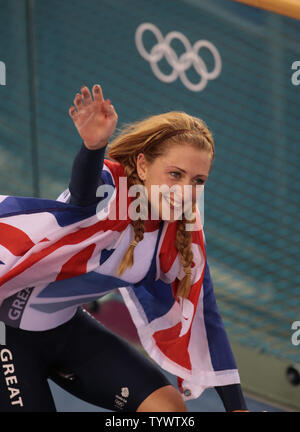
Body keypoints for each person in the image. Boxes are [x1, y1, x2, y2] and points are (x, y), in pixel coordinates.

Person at [0, 84, 248, 412]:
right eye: (175, 174)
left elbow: (205, 314)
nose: (186, 190)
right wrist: (93, 147)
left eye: (197, 180)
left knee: (167, 411)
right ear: (143, 166)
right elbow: (82, 195)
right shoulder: (112, 189)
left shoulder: (181, 229)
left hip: (66, 329)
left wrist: (238, 409)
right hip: (7, 335)